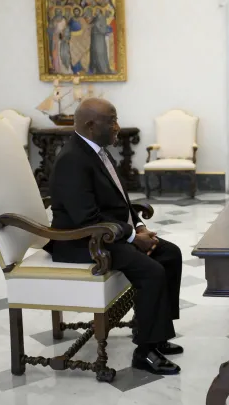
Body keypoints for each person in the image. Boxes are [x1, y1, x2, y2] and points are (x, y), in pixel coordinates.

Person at [45, 98, 183, 375]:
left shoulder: (98, 151)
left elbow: (117, 202)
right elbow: (86, 219)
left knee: (170, 254)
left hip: (105, 234)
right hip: (81, 241)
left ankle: (157, 336)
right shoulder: (72, 159)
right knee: (151, 271)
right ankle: (144, 352)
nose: (117, 127)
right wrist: (132, 238)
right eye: (112, 121)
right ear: (91, 125)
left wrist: (139, 226)